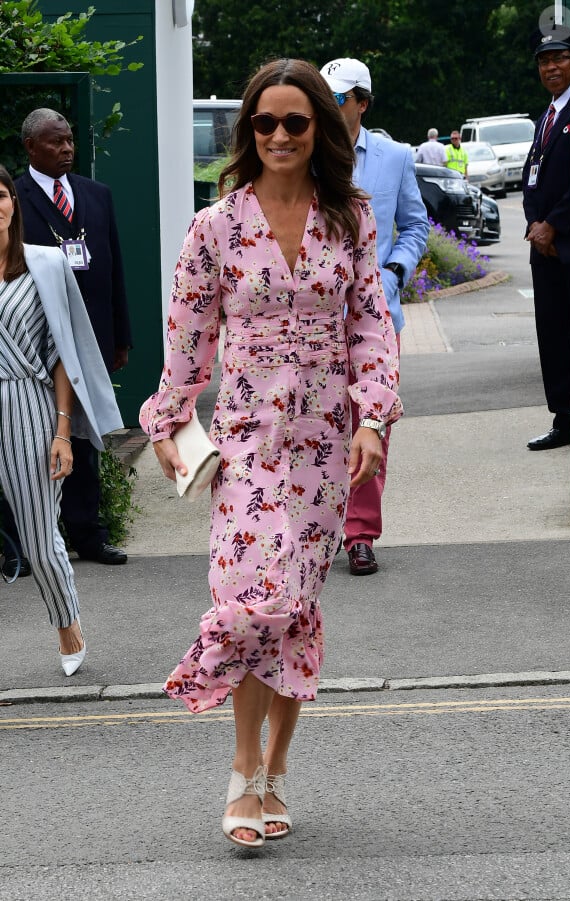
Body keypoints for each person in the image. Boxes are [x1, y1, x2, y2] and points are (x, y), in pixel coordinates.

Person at [140, 58, 402, 848]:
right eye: (265, 123)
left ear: (319, 126)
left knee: (296, 605)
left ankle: (274, 770)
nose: (280, 135)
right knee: (249, 599)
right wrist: (168, 419)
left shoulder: (349, 218)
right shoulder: (214, 227)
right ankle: (240, 765)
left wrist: (372, 420)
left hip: (325, 441)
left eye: (295, 121)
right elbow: (187, 338)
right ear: (247, 131)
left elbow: (371, 327)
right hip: (248, 443)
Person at [0, 164, 123, 673]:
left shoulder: (45, 264)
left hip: (26, 406)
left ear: (12, 202)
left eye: (0, 194)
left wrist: (62, 431)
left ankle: (68, 626)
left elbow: (62, 354)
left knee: (39, 538)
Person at [0, 108, 131, 573]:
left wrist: (120, 335)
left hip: (90, 335)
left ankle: (88, 534)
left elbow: (113, 266)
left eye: (70, 140)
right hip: (37, 344)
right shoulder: (14, 196)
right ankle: (27, 542)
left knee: (85, 438)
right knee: (34, 441)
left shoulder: (97, 195)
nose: (67, 148)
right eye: (55, 142)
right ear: (31, 148)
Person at [320, 57, 429, 575]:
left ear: (362, 102)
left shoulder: (394, 156)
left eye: (338, 97)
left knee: (372, 425)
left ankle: (360, 534)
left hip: (378, 317)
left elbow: (414, 224)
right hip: (314, 320)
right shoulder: (299, 151)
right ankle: (313, 528)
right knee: (317, 426)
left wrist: (393, 270)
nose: (328, 104)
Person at [523, 28, 570, 450]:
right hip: (544, 247)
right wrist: (533, 225)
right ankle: (564, 418)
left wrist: (555, 225)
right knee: (552, 334)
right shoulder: (547, 115)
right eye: (544, 61)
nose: (551, 67)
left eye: (559, 58)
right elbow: (533, 179)